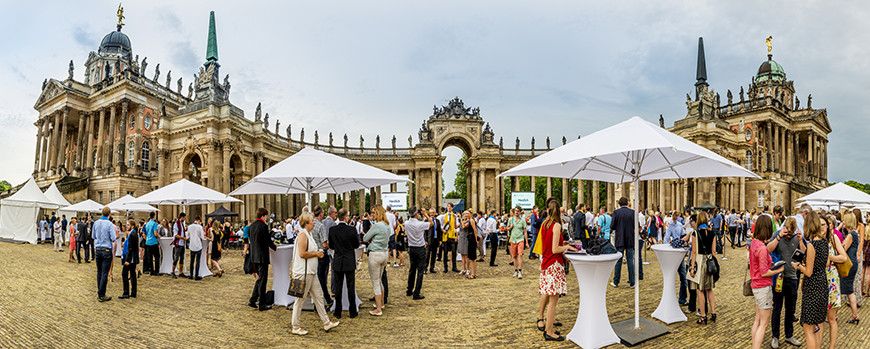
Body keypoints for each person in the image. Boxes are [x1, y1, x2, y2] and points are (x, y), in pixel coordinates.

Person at [290, 212, 340, 335]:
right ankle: (295, 326)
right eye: (312, 221)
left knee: (319, 296)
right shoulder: (303, 235)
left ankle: (326, 322)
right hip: (303, 272)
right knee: (299, 300)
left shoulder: (309, 234)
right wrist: (317, 254)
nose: (314, 222)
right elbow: (302, 254)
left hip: (311, 272)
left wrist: (316, 252)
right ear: (306, 223)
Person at [537, 198, 578, 341]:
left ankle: (548, 325)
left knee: (549, 297)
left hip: (546, 264)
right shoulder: (556, 226)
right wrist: (566, 247)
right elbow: (555, 249)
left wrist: (562, 242)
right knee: (553, 301)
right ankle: (549, 331)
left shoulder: (545, 224)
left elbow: (549, 244)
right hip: (554, 264)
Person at [766, 217, 805, 348]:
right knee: (777, 308)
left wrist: (799, 239)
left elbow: (804, 253)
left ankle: (789, 335)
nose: (788, 236)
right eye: (787, 232)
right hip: (779, 278)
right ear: (784, 228)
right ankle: (775, 337)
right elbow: (768, 250)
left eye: (791, 233)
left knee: (790, 309)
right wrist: (778, 237)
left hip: (793, 278)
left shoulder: (796, 237)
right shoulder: (777, 235)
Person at [749, 215, 784, 349]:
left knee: (758, 320)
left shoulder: (754, 243)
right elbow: (764, 272)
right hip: (763, 286)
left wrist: (771, 263)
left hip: (756, 286)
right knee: (763, 323)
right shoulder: (762, 248)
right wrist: (778, 270)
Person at [794, 211, 826, 349]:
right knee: (817, 325)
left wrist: (798, 265)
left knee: (808, 330)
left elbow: (808, 272)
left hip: (812, 288)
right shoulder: (824, 242)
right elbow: (823, 264)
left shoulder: (813, 245)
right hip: (822, 285)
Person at [328, 206, 360, 319]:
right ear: (346, 218)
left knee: (338, 287)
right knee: (350, 286)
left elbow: (331, 245)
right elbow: (356, 245)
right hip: (349, 260)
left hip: (338, 260)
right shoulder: (352, 230)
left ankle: (338, 311)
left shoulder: (333, 230)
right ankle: (352, 311)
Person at [689, 211, 717, 324]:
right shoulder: (712, 232)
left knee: (700, 289)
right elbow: (714, 251)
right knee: (709, 289)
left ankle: (703, 315)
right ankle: (713, 313)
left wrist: (692, 268)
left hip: (700, 262)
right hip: (710, 260)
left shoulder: (696, 233)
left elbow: (694, 252)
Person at [363, 206, 390, 315]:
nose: (372, 215)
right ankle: (381, 303)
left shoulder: (376, 225)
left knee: (375, 281)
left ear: (378, 213)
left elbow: (365, 238)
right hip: (384, 253)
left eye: (374, 213)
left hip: (375, 254)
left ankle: (378, 309)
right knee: (379, 280)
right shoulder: (387, 225)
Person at [248, 208, 277, 311]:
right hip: (262, 256)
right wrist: (275, 247)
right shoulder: (263, 226)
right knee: (263, 280)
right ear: (263, 216)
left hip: (254, 256)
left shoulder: (251, 226)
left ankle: (253, 300)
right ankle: (262, 304)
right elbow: (267, 241)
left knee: (260, 279)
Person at [404, 206, 431, 300]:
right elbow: (431, 224)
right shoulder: (420, 224)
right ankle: (416, 292)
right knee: (420, 271)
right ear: (417, 214)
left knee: (412, 270)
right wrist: (425, 214)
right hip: (420, 248)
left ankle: (409, 289)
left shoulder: (406, 223)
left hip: (411, 248)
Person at [611, 197, 638, 288]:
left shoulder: (616, 212)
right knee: (630, 260)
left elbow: (612, 226)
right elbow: (636, 225)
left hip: (620, 239)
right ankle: (632, 282)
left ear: (619, 203)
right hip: (630, 238)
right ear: (627, 203)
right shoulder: (632, 212)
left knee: (618, 261)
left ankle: (616, 281)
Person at [839, 212, 861, 325]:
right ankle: (855, 314)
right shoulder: (855, 233)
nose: (842, 223)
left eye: (844, 221)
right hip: (853, 263)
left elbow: (842, 249)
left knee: (846, 290)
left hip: (849, 264)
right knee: (848, 290)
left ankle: (853, 314)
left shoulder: (851, 235)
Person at [311, 206, 334, 308]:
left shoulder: (310, 225)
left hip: (312, 254)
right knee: (322, 280)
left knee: (316, 279)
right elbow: (324, 244)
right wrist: (331, 245)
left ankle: (325, 300)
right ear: (320, 214)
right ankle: (321, 303)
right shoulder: (320, 226)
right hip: (321, 254)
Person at [664, 211, 689, 305]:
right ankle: (669, 298)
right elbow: (666, 239)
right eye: (674, 215)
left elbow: (682, 236)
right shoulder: (670, 225)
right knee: (670, 276)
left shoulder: (679, 225)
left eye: (676, 215)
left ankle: (682, 299)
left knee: (683, 276)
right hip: (672, 251)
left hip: (679, 252)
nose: (676, 216)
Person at [93, 206, 116, 302]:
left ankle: (100, 291)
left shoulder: (96, 223)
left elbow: (93, 236)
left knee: (99, 271)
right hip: (106, 249)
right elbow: (113, 238)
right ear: (109, 214)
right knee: (104, 273)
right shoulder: (110, 224)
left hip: (98, 248)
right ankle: (101, 294)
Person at [120, 219, 140, 299]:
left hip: (131, 258)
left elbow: (131, 248)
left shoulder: (132, 234)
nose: (126, 226)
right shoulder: (133, 234)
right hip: (133, 258)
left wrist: (127, 260)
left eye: (128, 225)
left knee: (124, 273)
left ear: (132, 226)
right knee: (132, 274)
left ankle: (126, 292)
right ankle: (133, 292)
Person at [507, 207, 528, 279]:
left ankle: (520, 270)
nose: (517, 212)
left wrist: (526, 242)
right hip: (513, 239)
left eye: (518, 211)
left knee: (520, 254)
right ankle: (515, 270)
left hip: (520, 239)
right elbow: (507, 228)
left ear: (520, 212)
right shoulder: (510, 219)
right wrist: (510, 227)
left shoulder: (522, 220)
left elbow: (525, 231)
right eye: (516, 211)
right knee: (514, 256)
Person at [442, 203, 460, 273]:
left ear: (452, 208)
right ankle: (445, 267)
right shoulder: (443, 216)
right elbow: (441, 225)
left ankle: (454, 267)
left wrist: (456, 236)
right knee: (445, 252)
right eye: (448, 206)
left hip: (452, 235)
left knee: (454, 252)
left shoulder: (454, 216)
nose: (449, 208)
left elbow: (456, 227)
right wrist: (443, 230)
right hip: (446, 236)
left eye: (450, 207)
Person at [171, 213, 188, 278]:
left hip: (182, 243)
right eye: (184, 217)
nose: (185, 219)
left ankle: (181, 272)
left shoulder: (182, 224)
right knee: (176, 258)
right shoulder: (176, 224)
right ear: (182, 217)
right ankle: (173, 271)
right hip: (178, 243)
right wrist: (183, 238)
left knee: (182, 258)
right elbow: (176, 235)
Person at [427, 208, 442, 273]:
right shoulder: (427, 220)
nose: (432, 214)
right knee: (427, 255)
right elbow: (425, 231)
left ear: (435, 213)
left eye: (433, 212)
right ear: (429, 214)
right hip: (429, 239)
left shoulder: (438, 221)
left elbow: (439, 231)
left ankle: (432, 268)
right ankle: (425, 268)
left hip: (436, 239)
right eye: (431, 213)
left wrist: (440, 240)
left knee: (434, 255)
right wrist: (425, 240)